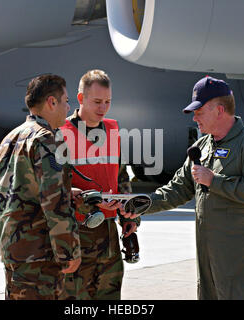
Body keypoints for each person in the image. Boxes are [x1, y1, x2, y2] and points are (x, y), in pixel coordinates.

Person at [122, 76, 244, 300]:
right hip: (207, 252)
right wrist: (143, 205)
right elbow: (179, 189)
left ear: (219, 110)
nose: (194, 118)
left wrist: (215, 181)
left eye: (199, 111)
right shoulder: (201, 147)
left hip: (239, 254)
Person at [0, 74, 81, 300]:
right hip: (39, 256)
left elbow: (16, 190)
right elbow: (54, 201)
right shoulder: (47, 140)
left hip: (13, 250)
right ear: (52, 102)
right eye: (65, 101)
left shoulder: (10, 138)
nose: (68, 107)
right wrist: (69, 250)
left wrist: (66, 189)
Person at [60, 69, 139, 300]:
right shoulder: (62, 134)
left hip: (109, 233)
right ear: (81, 98)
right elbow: (53, 187)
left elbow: (121, 176)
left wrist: (129, 217)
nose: (103, 108)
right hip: (77, 233)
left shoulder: (112, 130)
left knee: (110, 295)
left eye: (107, 101)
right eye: (97, 101)